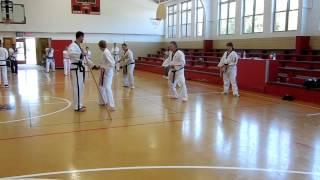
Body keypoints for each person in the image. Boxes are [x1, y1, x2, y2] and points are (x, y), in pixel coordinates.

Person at [68, 31, 88, 112]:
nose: (83, 39)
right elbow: (71, 54)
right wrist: (81, 55)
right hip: (76, 68)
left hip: (80, 68)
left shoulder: (79, 46)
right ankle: (77, 107)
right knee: (77, 87)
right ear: (80, 37)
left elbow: (83, 57)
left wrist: (93, 65)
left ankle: (80, 103)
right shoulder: (72, 45)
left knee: (81, 86)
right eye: (83, 37)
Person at [97, 40, 116, 111]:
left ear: (100, 46)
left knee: (107, 87)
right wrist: (99, 66)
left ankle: (112, 105)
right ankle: (103, 101)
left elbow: (112, 63)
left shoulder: (106, 52)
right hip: (103, 71)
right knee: (101, 86)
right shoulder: (104, 52)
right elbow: (103, 63)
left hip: (107, 72)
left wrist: (103, 67)